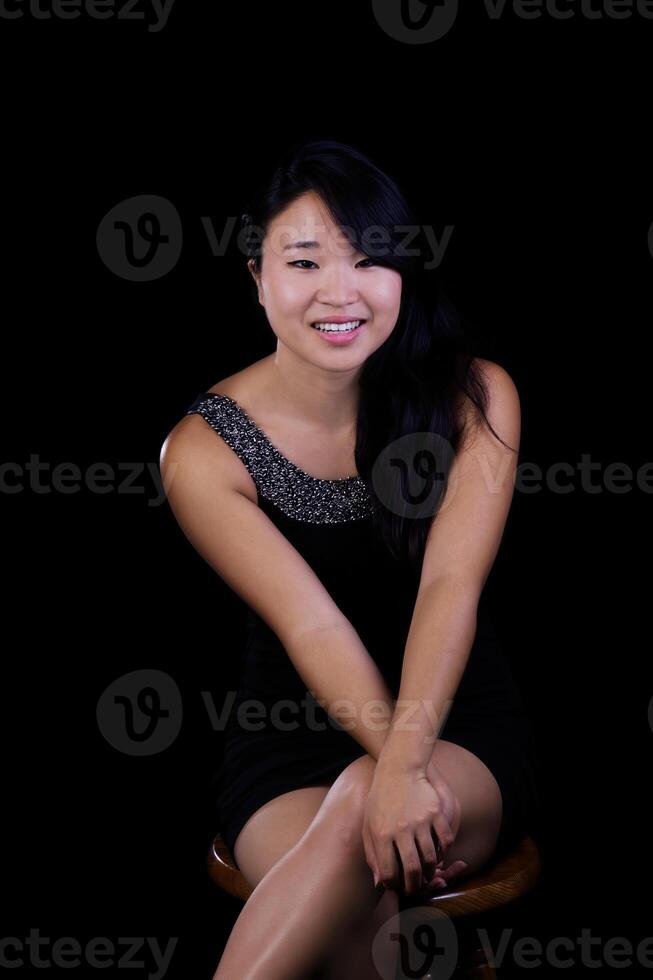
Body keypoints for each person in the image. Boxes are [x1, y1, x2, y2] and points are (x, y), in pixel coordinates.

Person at [159, 138, 541, 980]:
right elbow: (310, 622)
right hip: (286, 735)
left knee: (355, 816)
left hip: (453, 722)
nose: (340, 291)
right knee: (356, 902)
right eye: (304, 261)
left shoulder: (472, 395)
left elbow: (450, 585)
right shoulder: (203, 449)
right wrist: (385, 781)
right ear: (256, 275)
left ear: (402, 273)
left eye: (370, 259)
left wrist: (402, 767)